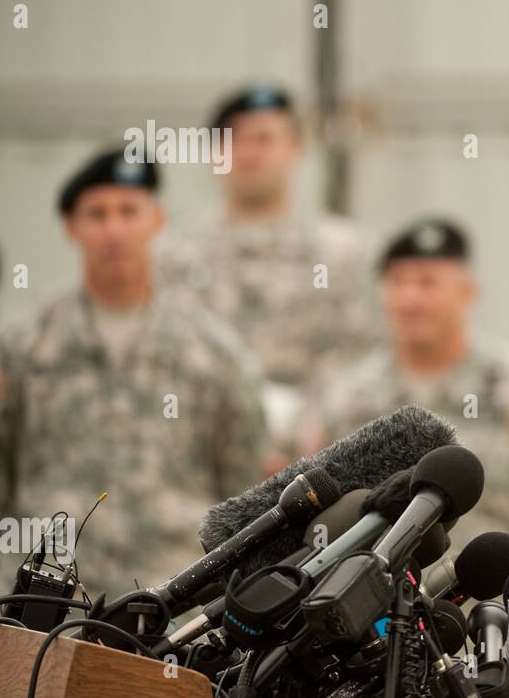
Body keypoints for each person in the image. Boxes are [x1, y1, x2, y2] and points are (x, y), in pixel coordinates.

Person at [0, 149, 266, 600]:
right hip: (41, 602)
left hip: (167, 608)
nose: (114, 229)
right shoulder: (20, 350)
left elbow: (241, 496)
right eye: (97, 214)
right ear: (71, 227)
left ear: (157, 220)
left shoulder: (216, 356)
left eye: (129, 211)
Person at [155, 85, 379, 466]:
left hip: (318, 463)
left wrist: (308, 428)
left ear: (296, 147)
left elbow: (362, 355)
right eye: (234, 140)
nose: (249, 152)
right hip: (200, 460)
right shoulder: (172, 254)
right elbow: (162, 359)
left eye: (264, 138)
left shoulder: (344, 252)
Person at [300, 218, 509, 554]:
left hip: (484, 591)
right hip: (372, 594)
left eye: (428, 283)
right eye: (398, 283)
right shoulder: (347, 395)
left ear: (467, 292)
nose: (411, 299)